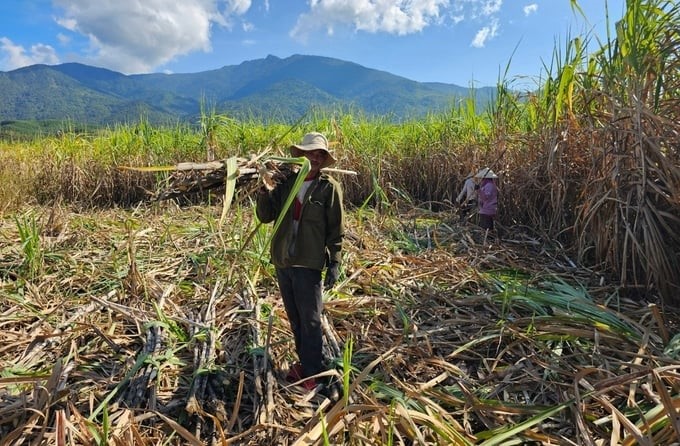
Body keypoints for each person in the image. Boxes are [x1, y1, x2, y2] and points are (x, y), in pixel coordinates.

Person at [256, 132, 344, 400]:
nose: (315, 157)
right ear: (301, 156)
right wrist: (263, 187)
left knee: (312, 319)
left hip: (308, 261)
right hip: (284, 259)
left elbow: (336, 229)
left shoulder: (328, 188)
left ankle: (314, 372)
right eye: (311, 153)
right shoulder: (286, 184)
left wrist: (335, 263)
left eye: (320, 154)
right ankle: (305, 366)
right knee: (295, 318)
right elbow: (266, 216)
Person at [474, 167, 498, 231]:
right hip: (485, 210)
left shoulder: (489, 185)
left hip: (487, 210)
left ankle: (487, 240)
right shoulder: (486, 185)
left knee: (486, 229)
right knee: (486, 229)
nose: (481, 179)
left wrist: (478, 190)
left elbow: (485, 198)